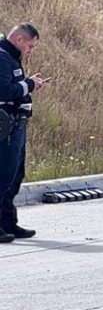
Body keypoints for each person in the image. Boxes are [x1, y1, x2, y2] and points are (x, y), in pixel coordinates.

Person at [0, 24, 46, 243]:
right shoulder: (2, 57)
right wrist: (29, 84)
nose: (30, 51)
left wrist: (28, 84)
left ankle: (8, 222)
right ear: (18, 39)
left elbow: (14, 86)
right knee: (3, 176)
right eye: (30, 46)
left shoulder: (11, 57)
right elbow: (3, 91)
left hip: (17, 125)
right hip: (6, 128)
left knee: (15, 176)